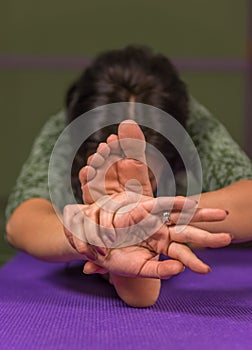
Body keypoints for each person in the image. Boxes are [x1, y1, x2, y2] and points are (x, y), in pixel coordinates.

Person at [5, 46, 252, 307]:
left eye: (143, 174)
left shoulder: (194, 125)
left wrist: (153, 217)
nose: (128, 189)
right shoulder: (65, 130)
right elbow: (22, 221)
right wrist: (94, 232)